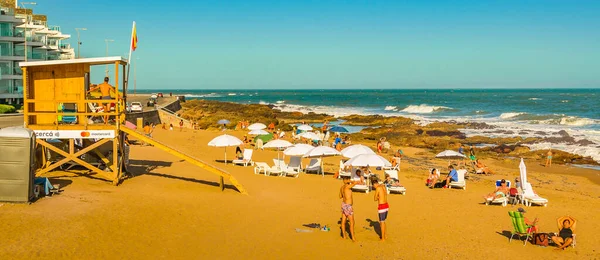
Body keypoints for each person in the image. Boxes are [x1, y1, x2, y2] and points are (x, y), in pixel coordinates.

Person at [339, 176, 358, 242]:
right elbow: (355, 183)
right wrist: (350, 181)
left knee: (343, 221)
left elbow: (340, 196)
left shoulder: (342, 187)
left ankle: (344, 235)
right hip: (348, 206)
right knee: (352, 222)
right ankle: (353, 237)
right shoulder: (347, 186)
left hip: (344, 205)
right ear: (346, 180)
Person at [372, 176, 389, 241]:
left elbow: (375, 198)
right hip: (386, 205)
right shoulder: (383, 187)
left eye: (373, 186)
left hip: (381, 206)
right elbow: (386, 194)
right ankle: (385, 235)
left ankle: (383, 238)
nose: (374, 187)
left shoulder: (378, 188)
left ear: (375, 184)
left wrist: (378, 197)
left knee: (381, 222)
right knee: (384, 221)